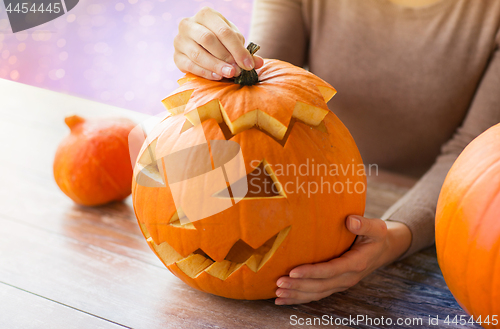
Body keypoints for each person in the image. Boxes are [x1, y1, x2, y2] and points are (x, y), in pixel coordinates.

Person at [173, 0, 500, 305]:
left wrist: (394, 237)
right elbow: (256, 96)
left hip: (436, 216)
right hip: (304, 190)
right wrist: (217, 60)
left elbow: (475, 152)